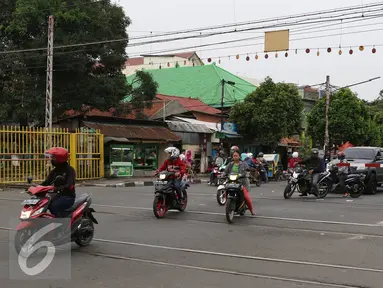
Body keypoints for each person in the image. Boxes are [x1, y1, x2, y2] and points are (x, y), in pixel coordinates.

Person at [41, 147, 76, 217]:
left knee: (54, 206)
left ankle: (62, 223)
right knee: (42, 203)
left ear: (59, 159)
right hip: (56, 195)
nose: (50, 159)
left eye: (53, 158)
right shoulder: (54, 171)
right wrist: (34, 188)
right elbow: (46, 183)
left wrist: (60, 187)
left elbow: (70, 184)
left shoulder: (69, 170)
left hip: (67, 196)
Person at [224, 150, 255, 216]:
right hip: (231, 182)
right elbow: (225, 171)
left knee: (246, 197)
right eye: (234, 156)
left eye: (236, 156)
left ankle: (251, 210)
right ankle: (228, 206)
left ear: (239, 156)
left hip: (242, 183)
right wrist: (222, 175)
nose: (235, 157)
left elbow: (247, 169)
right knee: (226, 192)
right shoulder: (230, 164)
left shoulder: (243, 163)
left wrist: (247, 172)